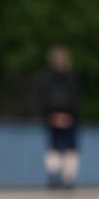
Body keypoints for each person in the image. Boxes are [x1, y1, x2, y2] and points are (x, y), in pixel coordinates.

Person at [40, 46, 82, 189]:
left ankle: (56, 178)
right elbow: (76, 98)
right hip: (68, 116)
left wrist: (50, 115)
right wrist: (68, 115)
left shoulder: (47, 77)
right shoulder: (72, 77)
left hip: (54, 116)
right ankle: (66, 180)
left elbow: (43, 99)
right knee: (68, 148)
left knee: (55, 147)